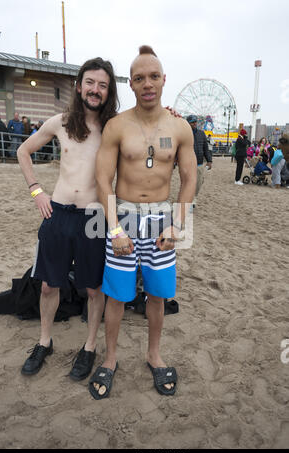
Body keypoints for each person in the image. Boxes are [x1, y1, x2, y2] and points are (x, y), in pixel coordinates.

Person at [90, 45, 197, 399]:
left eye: (153, 77)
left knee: (156, 294)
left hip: (162, 222)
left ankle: (154, 355)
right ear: (131, 84)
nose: (147, 84)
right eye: (139, 78)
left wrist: (178, 224)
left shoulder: (180, 127)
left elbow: (190, 177)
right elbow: (103, 180)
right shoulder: (117, 126)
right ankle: (110, 358)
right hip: (123, 217)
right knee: (117, 296)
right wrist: (115, 229)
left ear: (164, 80)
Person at [17, 57, 119, 380]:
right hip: (57, 212)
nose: (95, 89)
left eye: (102, 85)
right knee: (48, 286)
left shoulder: (114, 127)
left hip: (94, 216)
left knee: (93, 288)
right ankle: (44, 341)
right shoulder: (60, 121)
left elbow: (151, 124)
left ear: (109, 91)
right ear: (78, 85)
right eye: (90, 82)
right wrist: (37, 191)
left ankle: (89, 347)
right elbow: (23, 151)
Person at [186, 114, 212, 207]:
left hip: (199, 163)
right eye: (192, 122)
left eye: (195, 122)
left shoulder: (201, 134)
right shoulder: (184, 134)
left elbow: (206, 148)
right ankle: (189, 199)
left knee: (199, 182)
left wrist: (209, 161)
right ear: (188, 123)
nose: (194, 124)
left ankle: (194, 197)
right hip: (187, 163)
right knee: (188, 182)